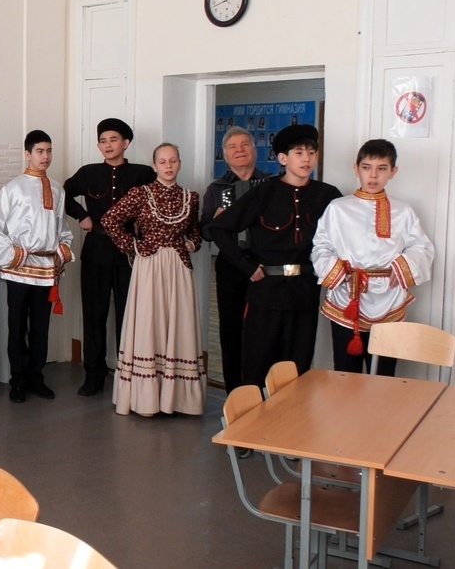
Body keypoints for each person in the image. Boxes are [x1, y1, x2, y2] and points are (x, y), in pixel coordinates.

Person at [207, 124, 341, 385]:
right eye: (299, 153)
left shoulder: (327, 195)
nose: (306, 159)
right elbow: (219, 228)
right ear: (283, 158)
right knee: (257, 362)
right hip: (266, 291)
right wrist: (246, 265)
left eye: (311, 153)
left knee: (298, 365)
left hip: (305, 291)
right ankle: (251, 411)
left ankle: (290, 412)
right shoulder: (264, 193)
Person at [312, 139, 434, 376]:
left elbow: (422, 247)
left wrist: (403, 267)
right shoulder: (337, 208)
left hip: (390, 297)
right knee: (346, 373)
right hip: (347, 297)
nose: (373, 175)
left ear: (393, 172)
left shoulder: (403, 211)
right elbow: (321, 246)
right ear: (356, 169)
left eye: (382, 168)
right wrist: (336, 271)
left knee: (384, 375)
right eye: (367, 167)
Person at [101, 143, 204, 416]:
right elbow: (110, 220)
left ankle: (178, 399)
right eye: (163, 161)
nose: (168, 166)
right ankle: (146, 399)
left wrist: (192, 244)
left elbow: (196, 231)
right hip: (149, 267)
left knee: (179, 324)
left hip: (179, 269)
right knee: (150, 323)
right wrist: (134, 246)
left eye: (173, 160)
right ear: (154, 165)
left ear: (179, 163)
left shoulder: (191, 197)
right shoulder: (141, 193)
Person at [62, 118, 156, 397]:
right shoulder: (88, 173)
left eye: (113, 140)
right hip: (96, 250)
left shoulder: (142, 173)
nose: (107, 145)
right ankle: (94, 375)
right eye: (103, 141)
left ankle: (129, 375)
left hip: (130, 254)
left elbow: (158, 200)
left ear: (126, 143)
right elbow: (63, 194)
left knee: (129, 316)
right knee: (94, 315)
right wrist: (82, 215)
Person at [0, 130, 74, 404]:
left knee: (41, 328)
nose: (45, 156)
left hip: (46, 270)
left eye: (49, 151)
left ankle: (36, 377)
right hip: (20, 269)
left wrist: (63, 249)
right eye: (40, 151)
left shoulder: (57, 189)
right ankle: (18, 381)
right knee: (17, 326)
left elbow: (62, 228)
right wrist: (14, 253)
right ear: (27, 154)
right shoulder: (13, 188)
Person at [200, 127, 273, 393]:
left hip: (265, 266)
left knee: (263, 329)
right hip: (230, 266)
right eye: (232, 146)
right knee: (230, 330)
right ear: (225, 154)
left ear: (255, 149)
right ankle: (235, 394)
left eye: (245, 145)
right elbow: (205, 232)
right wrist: (217, 220)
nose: (239, 150)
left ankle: (263, 391)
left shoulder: (271, 184)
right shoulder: (216, 188)